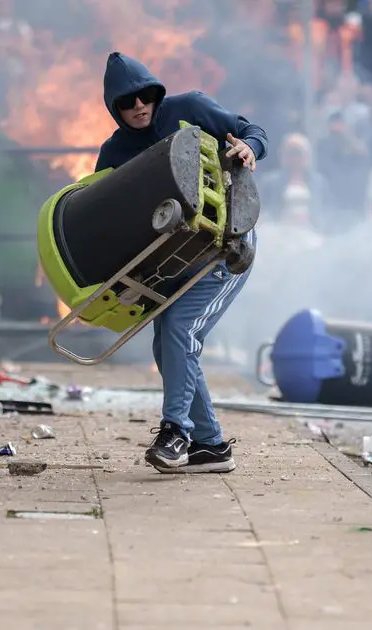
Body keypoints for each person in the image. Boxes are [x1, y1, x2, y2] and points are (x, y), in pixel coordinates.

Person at [94, 52, 268, 474]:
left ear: (156, 94)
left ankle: (175, 431)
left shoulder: (188, 108)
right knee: (167, 344)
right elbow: (107, 217)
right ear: (114, 108)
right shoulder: (113, 152)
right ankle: (209, 446)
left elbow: (250, 130)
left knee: (180, 330)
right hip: (172, 262)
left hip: (226, 250)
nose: (138, 107)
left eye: (144, 97)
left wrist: (250, 146)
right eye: (127, 102)